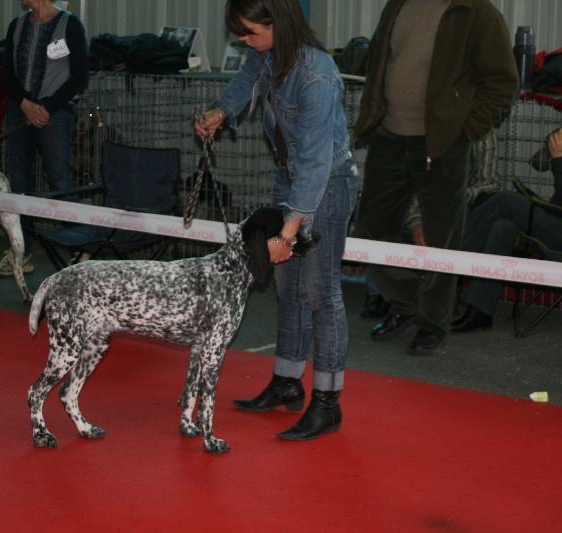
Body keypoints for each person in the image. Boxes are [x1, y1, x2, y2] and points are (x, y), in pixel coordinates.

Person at [194, 0, 360, 441]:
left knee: (320, 293)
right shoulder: (270, 54)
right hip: (291, 178)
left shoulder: (317, 76)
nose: (243, 41)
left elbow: (314, 162)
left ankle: (328, 403)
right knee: (287, 288)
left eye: (249, 32)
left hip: (326, 184)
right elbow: (248, 77)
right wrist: (221, 112)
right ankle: (287, 380)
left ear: (277, 23)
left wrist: (288, 231)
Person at [354, 0, 519, 355]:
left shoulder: (477, 11)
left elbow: (504, 82)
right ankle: (407, 302)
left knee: (444, 239)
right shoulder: (397, 5)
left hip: (443, 143)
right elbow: (384, 62)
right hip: (389, 135)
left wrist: (465, 130)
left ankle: (433, 323)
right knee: (370, 228)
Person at [451, 92, 562, 333]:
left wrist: (559, 160)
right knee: (502, 227)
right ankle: (480, 311)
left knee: (505, 199)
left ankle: (448, 253)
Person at [0, 0, 88, 278]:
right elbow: (7, 75)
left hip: (54, 114)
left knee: (60, 180)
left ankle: (79, 252)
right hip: (20, 111)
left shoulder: (69, 24)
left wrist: (47, 107)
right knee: (19, 181)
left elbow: (80, 76)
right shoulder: (17, 25)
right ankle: (22, 253)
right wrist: (24, 103)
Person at [360, 129, 501, 319]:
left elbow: (489, 183)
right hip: (412, 207)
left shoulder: (483, 131)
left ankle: (425, 299)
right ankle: (382, 293)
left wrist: (458, 197)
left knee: (498, 218)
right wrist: (416, 220)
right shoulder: (413, 124)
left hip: (460, 210)